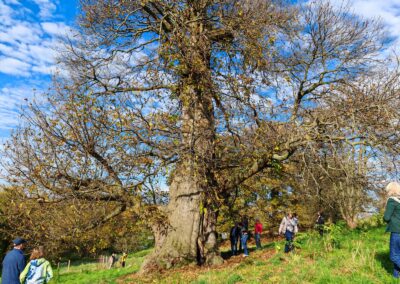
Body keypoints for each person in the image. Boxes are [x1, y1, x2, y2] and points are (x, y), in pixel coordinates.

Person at [383, 181, 400, 278]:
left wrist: (385, 218)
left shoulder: (392, 200)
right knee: (399, 255)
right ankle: (395, 277)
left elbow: (386, 217)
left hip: (397, 232)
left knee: (394, 256)